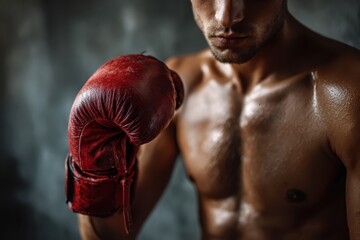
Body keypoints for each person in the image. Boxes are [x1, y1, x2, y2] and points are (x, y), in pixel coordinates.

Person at [74, 0, 360, 239]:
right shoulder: (176, 86)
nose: (227, 17)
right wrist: (93, 167)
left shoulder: (347, 92)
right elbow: (111, 235)